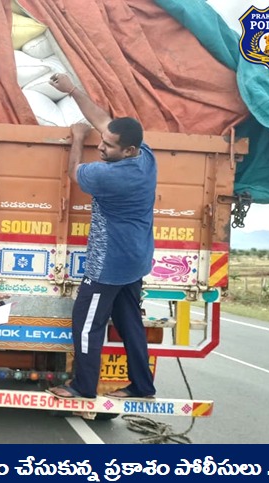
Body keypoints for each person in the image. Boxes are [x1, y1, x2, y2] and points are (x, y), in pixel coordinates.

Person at [46, 73, 157, 400]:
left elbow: (73, 173)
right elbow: (104, 120)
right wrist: (73, 90)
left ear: (128, 150)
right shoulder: (146, 158)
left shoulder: (109, 176)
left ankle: (82, 387)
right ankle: (142, 386)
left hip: (108, 266)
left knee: (86, 324)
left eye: (107, 146)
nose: (102, 147)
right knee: (130, 324)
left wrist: (78, 138)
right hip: (135, 261)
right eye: (102, 141)